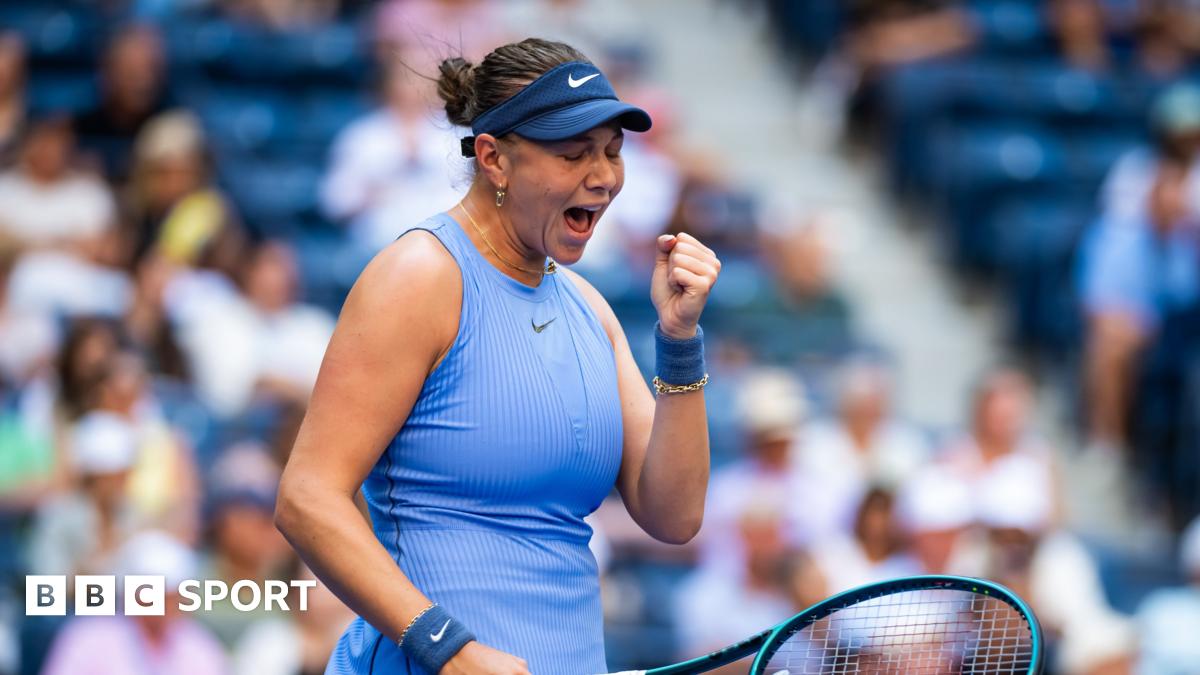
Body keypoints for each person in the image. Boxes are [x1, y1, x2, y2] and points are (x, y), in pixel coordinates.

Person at [275, 38, 721, 675]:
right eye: (573, 154)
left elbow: (674, 515)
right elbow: (307, 497)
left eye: (613, 153)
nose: (603, 176)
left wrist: (679, 342)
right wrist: (447, 650)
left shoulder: (590, 309)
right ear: (494, 159)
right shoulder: (419, 277)